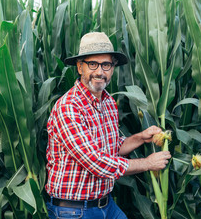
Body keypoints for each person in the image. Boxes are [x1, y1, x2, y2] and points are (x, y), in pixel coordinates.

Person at [45, 32, 171, 219]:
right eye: (92, 64)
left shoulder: (109, 103)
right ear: (80, 67)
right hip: (73, 211)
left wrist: (140, 137)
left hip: (106, 205)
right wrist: (147, 163)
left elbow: (111, 148)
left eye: (106, 65)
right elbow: (95, 161)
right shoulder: (69, 107)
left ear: (112, 68)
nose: (99, 72)